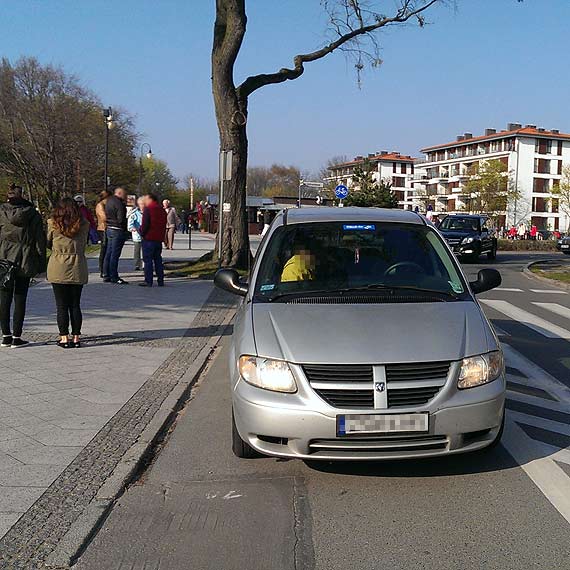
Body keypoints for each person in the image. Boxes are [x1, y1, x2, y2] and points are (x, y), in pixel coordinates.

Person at [0, 184, 46, 348]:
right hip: (25, 256)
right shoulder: (32, 213)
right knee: (20, 297)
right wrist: (42, 263)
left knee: (4, 297)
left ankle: (5, 335)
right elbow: (40, 239)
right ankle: (16, 336)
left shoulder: (2, 211)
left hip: (4, 256)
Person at [47, 197, 89, 348]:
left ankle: (64, 337)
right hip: (77, 265)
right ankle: (76, 337)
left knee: (61, 306)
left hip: (58, 265)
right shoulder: (84, 224)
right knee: (75, 305)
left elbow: (48, 242)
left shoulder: (53, 223)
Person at [139, 193, 167, 287]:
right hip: (158, 238)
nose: (144, 201)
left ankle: (148, 280)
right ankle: (160, 280)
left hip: (149, 238)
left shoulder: (148, 209)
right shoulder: (162, 210)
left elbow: (145, 224)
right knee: (158, 260)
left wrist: (142, 233)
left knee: (148, 260)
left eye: (146, 199)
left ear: (150, 199)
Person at [103, 187, 129, 284]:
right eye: (124, 194)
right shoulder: (119, 203)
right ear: (119, 193)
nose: (125, 196)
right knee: (115, 254)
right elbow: (121, 218)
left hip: (109, 228)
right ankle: (114, 276)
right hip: (117, 229)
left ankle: (106, 274)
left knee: (108, 252)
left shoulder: (109, 201)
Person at [95, 189, 111, 278]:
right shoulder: (100, 205)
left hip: (107, 228)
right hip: (103, 228)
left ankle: (106, 268)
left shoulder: (106, 204)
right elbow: (103, 217)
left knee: (108, 249)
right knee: (104, 249)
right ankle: (102, 270)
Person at [127, 197, 145, 271]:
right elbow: (130, 224)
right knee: (137, 251)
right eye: (141, 204)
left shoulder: (148, 213)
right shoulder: (134, 213)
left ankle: (145, 264)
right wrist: (132, 228)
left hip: (146, 234)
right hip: (137, 235)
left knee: (146, 250)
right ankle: (137, 264)